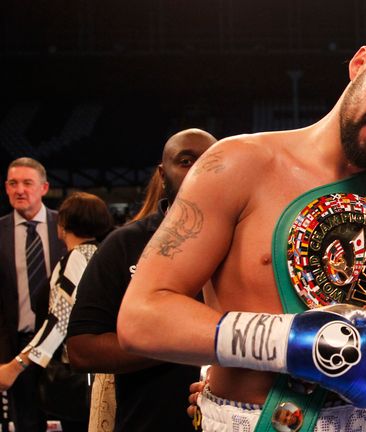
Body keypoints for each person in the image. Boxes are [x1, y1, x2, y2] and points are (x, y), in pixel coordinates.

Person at [117, 17, 366, 432]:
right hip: (255, 418)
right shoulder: (238, 164)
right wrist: (290, 343)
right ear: (360, 63)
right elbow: (141, 318)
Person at [66, 128, 217, 432]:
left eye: (211, 162)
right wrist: (184, 343)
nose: (198, 170)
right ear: (163, 174)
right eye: (186, 161)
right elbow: (82, 349)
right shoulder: (124, 245)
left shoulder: (248, 244)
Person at [0, 191, 112, 430]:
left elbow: (60, 319)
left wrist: (17, 364)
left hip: (79, 371)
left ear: (62, 225)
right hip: (96, 368)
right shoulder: (101, 254)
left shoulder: (77, 258)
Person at [0, 157, 67, 431]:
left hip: (62, 344)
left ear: (44, 187)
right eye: (13, 183)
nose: (20, 190)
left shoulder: (64, 226)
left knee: (74, 417)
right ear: (5, 188)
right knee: (27, 422)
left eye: (28, 183)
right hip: (16, 344)